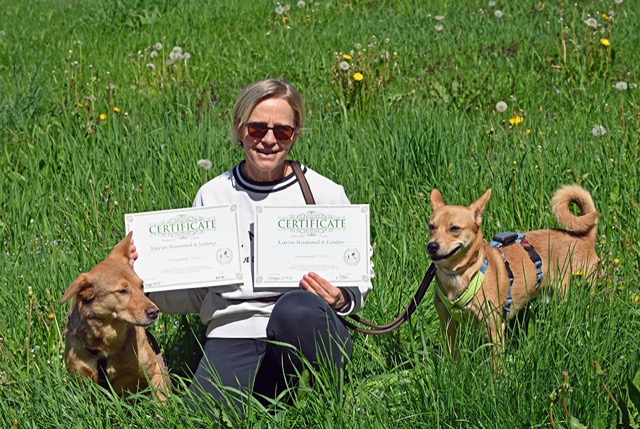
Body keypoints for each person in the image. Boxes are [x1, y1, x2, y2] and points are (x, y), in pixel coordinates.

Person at [131, 78, 373, 407]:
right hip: (234, 329)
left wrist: (342, 297)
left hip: (303, 324)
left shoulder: (324, 193)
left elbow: (358, 272)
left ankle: (325, 397)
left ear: (295, 135)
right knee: (204, 417)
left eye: (282, 131)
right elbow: (198, 292)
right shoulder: (213, 195)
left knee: (295, 308)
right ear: (239, 128)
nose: (269, 140)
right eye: (257, 128)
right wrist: (145, 279)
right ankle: (272, 395)